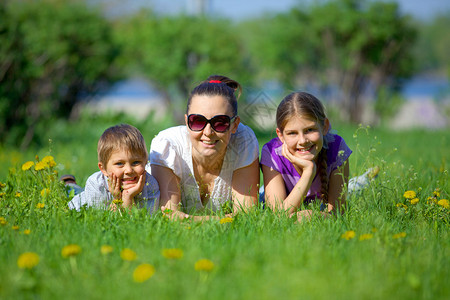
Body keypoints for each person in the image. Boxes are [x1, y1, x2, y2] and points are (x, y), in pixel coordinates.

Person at [149, 75, 260, 220]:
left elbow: (247, 216)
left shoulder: (243, 141)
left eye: (220, 122)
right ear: (186, 122)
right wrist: (224, 220)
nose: (208, 132)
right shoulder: (167, 146)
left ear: (234, 125)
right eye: (198, 121)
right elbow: (169, 217)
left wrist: (188, 219)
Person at [260, 91, 352, 222]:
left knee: (355, 189)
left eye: (310, 130)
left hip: (318, 201)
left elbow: (338, 214)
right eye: (292, 133)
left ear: (324, 126)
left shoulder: (336, 148)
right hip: (270, 195)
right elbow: (278, 216)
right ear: (280, 135)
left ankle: (363, 181)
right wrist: (308, 172)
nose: (302, 141)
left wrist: (311, 215)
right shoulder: (271, 153)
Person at [68, 124, 160, 214]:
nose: (128, 170)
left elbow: (141, 222)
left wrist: (128, 197)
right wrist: (117, 199)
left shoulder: (150, 185)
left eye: (136, 162)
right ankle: (69, 185)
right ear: (103, 169)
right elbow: (103, 221)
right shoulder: (96, 184)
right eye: (119, 163)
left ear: (145, 162)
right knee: (72, 191)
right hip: (84, 199)